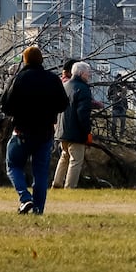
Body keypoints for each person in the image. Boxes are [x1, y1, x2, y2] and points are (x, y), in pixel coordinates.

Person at [0, 45, 69, 215]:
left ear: (25, 60)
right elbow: (63, 104)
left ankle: (25, 198)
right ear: (41, 60)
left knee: (13, 165)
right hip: (45, 133)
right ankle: (38, 209)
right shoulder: (52, 79)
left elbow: (5, 106)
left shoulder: (18, 79)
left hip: (22, 131)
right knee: (41, 174)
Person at [52, 61, 101, 189]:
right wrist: (87, 132)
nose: (89, 75)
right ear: (81, 73)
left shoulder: (64, 86)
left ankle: (57, 183)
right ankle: (70, 187)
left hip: (62, 130)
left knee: (64, 156)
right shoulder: (83, 89)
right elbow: (83, 113)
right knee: (76, 160)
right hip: (76, 132)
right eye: (88, 73)